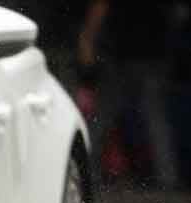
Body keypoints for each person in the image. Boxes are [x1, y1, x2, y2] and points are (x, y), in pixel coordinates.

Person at [76, 0, 183, 190]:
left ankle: (85, 173)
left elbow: (97, 15)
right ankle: (168, 177)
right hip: (148, 55)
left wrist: (88, 43)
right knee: (155, 119)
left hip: (124, 56)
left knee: (103, 117)